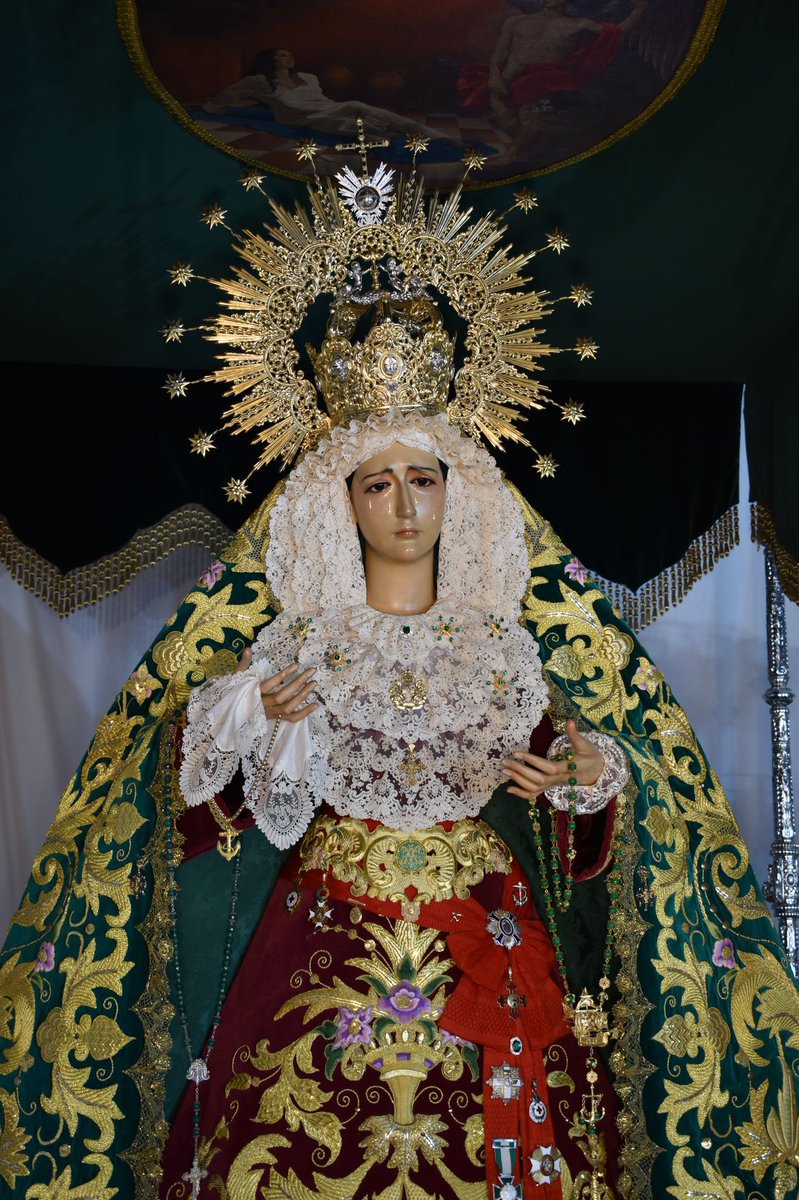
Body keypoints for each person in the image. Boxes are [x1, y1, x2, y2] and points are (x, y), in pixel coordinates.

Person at [1, 151, 797, 1200]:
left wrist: (586, 785)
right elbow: (200, 840)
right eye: (377, 482)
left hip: (494, 953)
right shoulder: (286, 652)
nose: (405, 504)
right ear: (342, 502)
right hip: (322, 945)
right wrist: (241, 733)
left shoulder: (514, 652)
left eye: (424, 477)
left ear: (457, 492)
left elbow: (595, 838)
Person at [457, 0, 650, 166]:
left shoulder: (578, 24)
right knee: (505, 117)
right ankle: (532, 144)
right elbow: (499, 53)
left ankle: (512, 155)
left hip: (543, 79)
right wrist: (494, 76)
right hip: (509, 77)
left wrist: (638, 10)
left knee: (530, 116)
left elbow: (617, 31)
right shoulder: (516, 21)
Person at [202, 47, 455, 144]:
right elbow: (230, 93)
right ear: (269, 60)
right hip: (302, 120)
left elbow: (322, 101)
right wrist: (215, 107)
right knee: (356, 127)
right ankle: (409, 139)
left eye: (290, 53)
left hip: (330, 108)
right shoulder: (258, 81)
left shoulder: (309, 77)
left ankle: (434, 135)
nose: (288, 56)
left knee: (365, 110)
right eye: (281, 54)